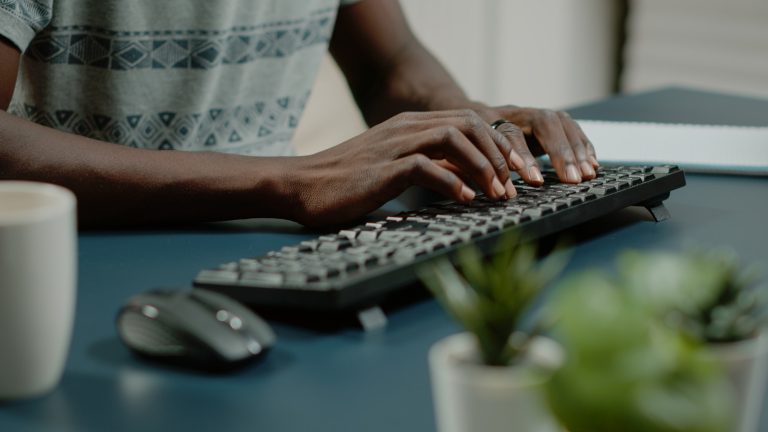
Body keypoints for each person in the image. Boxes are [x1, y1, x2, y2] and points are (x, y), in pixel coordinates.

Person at [0, 0, 598, 228]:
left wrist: (473, 126)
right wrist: (291, 180)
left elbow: (388, 67)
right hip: (84, 261)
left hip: (267, 243)